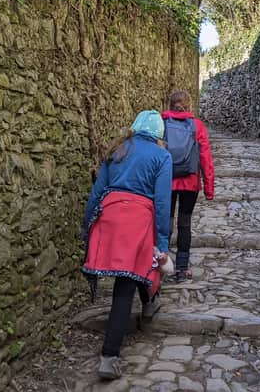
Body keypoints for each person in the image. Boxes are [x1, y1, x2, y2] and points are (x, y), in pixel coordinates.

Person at [80, 110, 173, 380]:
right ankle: (109, 356)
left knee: (132, 271)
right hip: (138, 222)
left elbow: (98, 191)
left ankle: (149, 304)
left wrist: (88, 227)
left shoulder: (118, 150)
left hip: (109, 217)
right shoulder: (162, 156)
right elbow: (163, 201)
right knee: (125, 285)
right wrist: (163, 240)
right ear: (159, 134)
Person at [161, 91, 215, 283]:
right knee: (184, 223)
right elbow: (205, 158)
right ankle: (182, 268)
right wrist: (209, 187)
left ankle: (161, 263)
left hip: (165, 181)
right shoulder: (197, 126)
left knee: (164, 223)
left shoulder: (162, 123)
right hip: (190, 182)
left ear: (170, 105)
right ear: (189, 106)